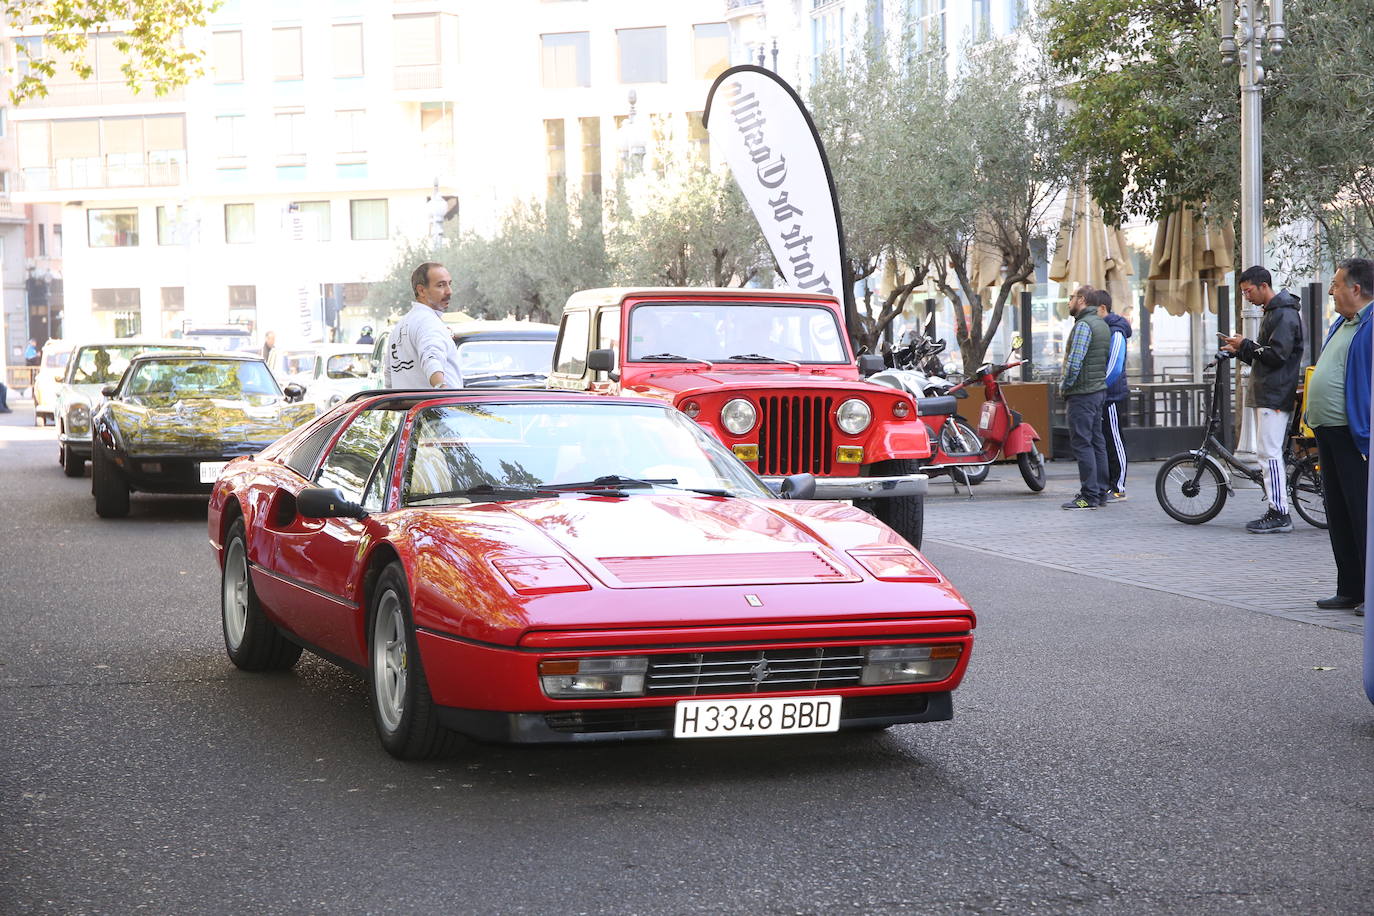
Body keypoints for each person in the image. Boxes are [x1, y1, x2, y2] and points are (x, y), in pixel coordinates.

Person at [1303, 257, 1374, 617]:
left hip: (1354, 435)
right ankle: (1349, 588)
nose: (1331, 290)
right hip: (1327, 431)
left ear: (1355, 289)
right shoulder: (1342, 324)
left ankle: (1371, 592)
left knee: (1363, 514)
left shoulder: (1372, 324)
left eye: (1336, 284)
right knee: (1340, 513)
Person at [1219, 265, 1305, 534]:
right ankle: (1277, 508)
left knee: (1269, 453)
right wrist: (1240, 348)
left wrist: (1245, 345)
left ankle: (1279, 511)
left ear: (1264, 286)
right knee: (1267, 452)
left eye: (1248, 291)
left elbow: (1277, 356)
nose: (1247, 297)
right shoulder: (1276, 313)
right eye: (1243, 292)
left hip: (1275, 393)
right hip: (1271, 390)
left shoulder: (1284, 315)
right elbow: (1266, 355)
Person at [1059, 285, 1112, 509]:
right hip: (1098, 391)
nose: (1069, 302)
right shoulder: (1101, 324)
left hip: (1083, 393)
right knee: (1096, 441)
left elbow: (1074, 363)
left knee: (1082, 443)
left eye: (1071, 298)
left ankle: (1088, 496)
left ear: (1081, 300)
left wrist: (1064, 386)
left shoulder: (1083, 325)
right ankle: (1100, 492)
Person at [385, 261, 463, 389]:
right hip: (437, 407)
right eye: (441, 285)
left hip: (408, 408)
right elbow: (432, 358)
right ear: (421, 290)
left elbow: (389, 377)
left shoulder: (399, 327)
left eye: (449, 284)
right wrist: (442, 389)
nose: (449, 291)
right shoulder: (428, 322)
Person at [1094, 289, 1132, 501]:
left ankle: (1118, 486)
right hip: (1104, 394)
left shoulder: (1115, 331)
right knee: (1106, 440)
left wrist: (1100, 387)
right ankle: (1109, 483)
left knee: (1115, 439)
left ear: (1102, 309)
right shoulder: (1106, 329)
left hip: (1112, 397)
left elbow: (1115, 366)